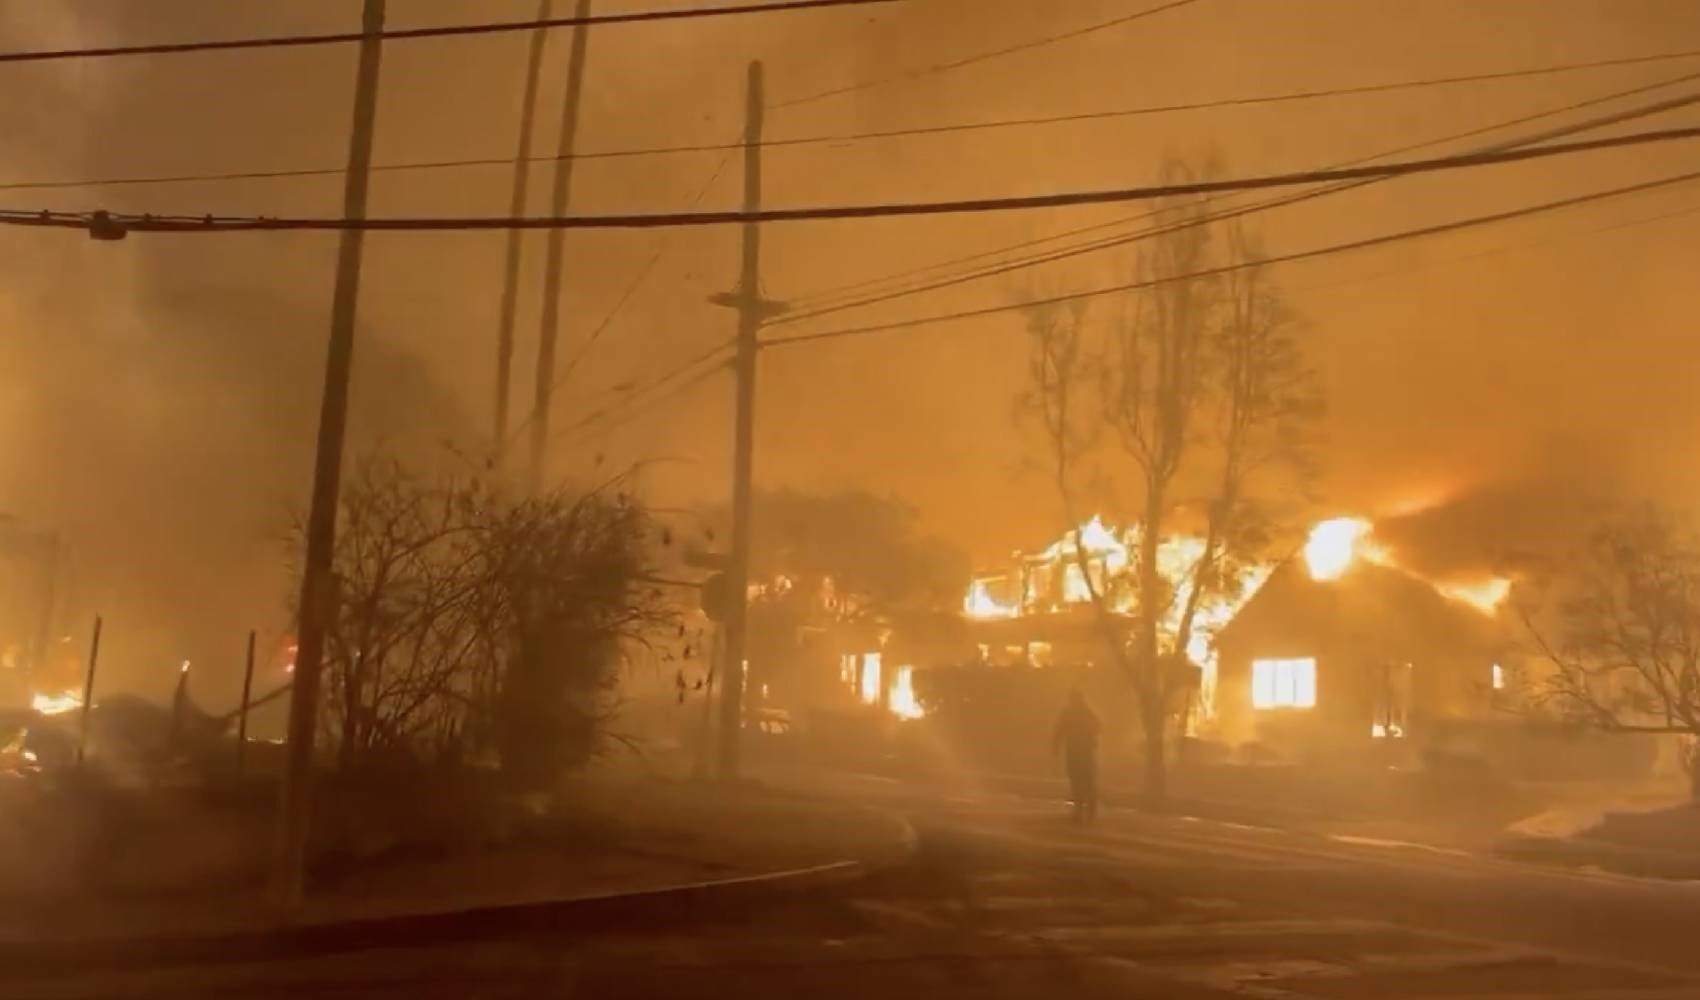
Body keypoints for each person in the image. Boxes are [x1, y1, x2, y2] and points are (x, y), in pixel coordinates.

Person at [1053, 687, 1101, 825]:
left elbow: (1059, 731)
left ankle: (1081, 810)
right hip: (1085, 752)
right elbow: (1098, 727)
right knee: (1087, 780)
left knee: (1077, 780)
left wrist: (1055, 747)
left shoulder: (1069, 712)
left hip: (1076, 751)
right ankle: (1089, 811)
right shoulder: (1087, 712)